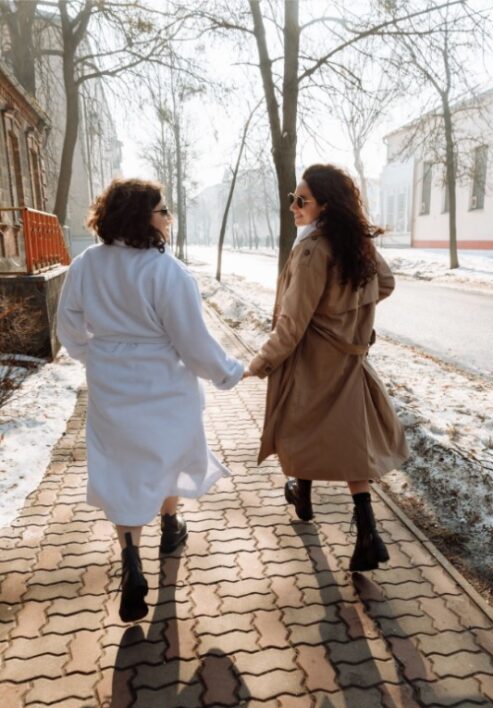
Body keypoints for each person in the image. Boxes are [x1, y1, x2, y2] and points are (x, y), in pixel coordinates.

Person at [57, 179, 244, 622]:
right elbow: (193, 342)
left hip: (111, 386)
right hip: (164, 384)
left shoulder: (86, 265)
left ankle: (131, 557)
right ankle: (170, 526)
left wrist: (98, 356)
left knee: (123, 468)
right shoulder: (167, 272)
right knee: (167, 457)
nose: (167, 218)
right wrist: (229, 372)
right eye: (162, 211)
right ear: (144, 217)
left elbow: (68, 327)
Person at [244, 163, 408, 572]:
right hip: (348, 361)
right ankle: (365, 530)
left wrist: (260, 363)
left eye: (302, 201)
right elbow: (384, 284)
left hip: (312, 361)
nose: (293, 207)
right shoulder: (356, 244)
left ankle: (306, 497)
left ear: (325, 206)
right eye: (292, 199)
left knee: (299, 427)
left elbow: (293, 321)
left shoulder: (314, 250)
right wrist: (348, 313)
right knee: (349, 443)